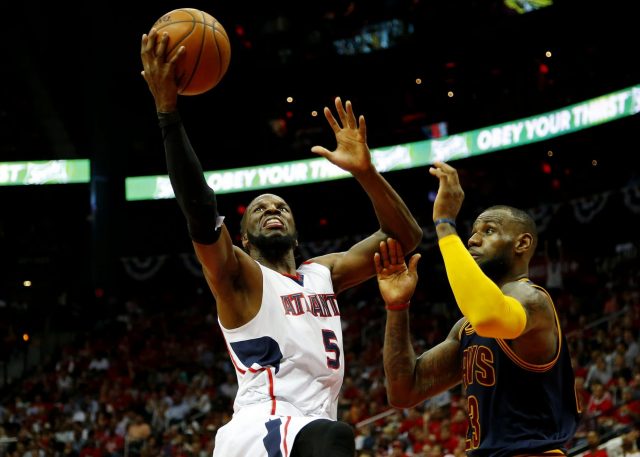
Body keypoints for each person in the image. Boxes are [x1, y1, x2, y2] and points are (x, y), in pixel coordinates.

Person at [139, 28, 423, 457]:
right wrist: (167, 113)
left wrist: (366, 173)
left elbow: (406, 237)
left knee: (331, 433)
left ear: (295, 227)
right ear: (242, 236)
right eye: (259, 209)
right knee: (334, 437)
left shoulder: (323, 273)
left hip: (311, 421)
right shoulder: (239, 277)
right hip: (263, 426)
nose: (272, 209)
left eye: (281, 207)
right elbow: (199, 208)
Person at [375, 161, 581, 456]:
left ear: (522, 243)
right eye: (473, 231)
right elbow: (404, 391)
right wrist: (397, 307)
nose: (472, 239)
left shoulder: (533, 301)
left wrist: (445, 224)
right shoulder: (465, 327)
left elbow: (488, 315)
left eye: (489, 230)